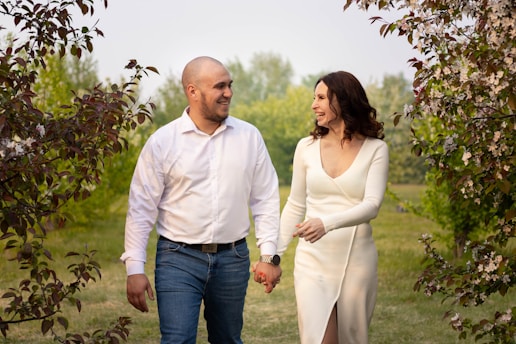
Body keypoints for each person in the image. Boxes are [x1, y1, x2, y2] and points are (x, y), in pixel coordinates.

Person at [120, 56, 282, 344]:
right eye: (220, 86)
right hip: (177, 259)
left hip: (233, 259)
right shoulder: (162, 142)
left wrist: (269, 256)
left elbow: (266, 197)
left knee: (228, 340)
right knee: (178, 340)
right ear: (192, 91)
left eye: (230, 85)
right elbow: (140, 209)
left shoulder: (249, 137)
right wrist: (134, 268)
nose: (228, 93)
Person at [277, 71, 389, 344]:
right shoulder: (306, 147)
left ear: (344, 101)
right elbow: (295, 203)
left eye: (321, 98)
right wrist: (274, 255)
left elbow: (372, 206)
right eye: (314, 98)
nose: (314, 105)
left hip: (357, 259)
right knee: (319, 339)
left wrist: (325, 223)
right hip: (313, 259)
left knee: (351, 338)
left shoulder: (376, 149)